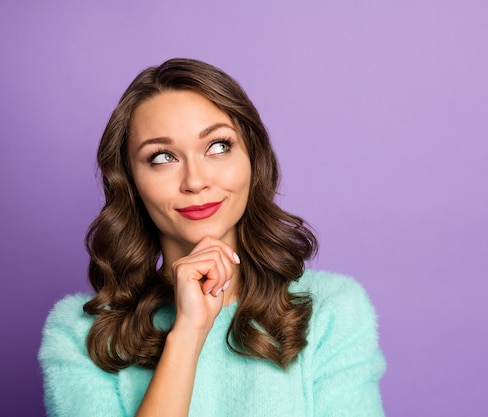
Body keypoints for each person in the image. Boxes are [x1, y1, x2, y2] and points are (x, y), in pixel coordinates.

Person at [39, 58, 385, 417]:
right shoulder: (80, 336)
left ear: (253, 158)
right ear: (131, 182)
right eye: (162, 157)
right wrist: (188, 333)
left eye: (218, 146)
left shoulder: (330, 310)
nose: (195, 181)